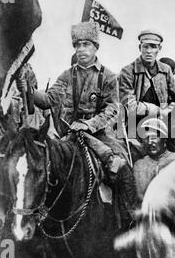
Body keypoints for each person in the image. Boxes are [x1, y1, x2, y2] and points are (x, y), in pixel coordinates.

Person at [16, 21, 139, 227]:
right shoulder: (66, 75)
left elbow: (112, 108)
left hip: (99, 135)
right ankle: (39, 217)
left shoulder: (108, 76)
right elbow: (48, 100)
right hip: (69, 135)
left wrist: (89, 124)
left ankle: (130, 217)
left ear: (95, 47)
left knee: (121, 167)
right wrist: (27, 89)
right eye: (78, 45)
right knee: (44, 165)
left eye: (86, 44)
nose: (81, 49)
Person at [119, 29, 175, 153]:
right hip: (135, 126)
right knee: (131, 158)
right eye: (145, 47)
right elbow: (129, 105)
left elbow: (174, 99)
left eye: (153, 47)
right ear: (140, 47)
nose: (149, 51)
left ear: (159, 48)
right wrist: (158, 110)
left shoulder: (166, 70)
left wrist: (169, 109)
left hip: (162, 125)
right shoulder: (128, 71)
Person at [133, 118, 175, 199]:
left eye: (154, 137)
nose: (150, 142)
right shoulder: (139, 165)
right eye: (146, 138)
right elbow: (140, 196)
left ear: (164, 140)